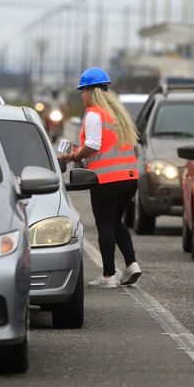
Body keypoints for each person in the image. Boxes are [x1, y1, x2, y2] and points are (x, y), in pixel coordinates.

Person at [60, 67, 141, 288]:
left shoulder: (95, 113)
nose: (82, 96)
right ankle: (132, 264)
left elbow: (93, 145)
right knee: (116, 222)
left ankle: (108, 276)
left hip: (107, 180)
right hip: (130, 178)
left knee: (104, 223)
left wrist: (74, 156)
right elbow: (105, 146)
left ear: (91, 91)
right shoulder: (117, 114)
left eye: (82, 91)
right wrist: (81, 152)